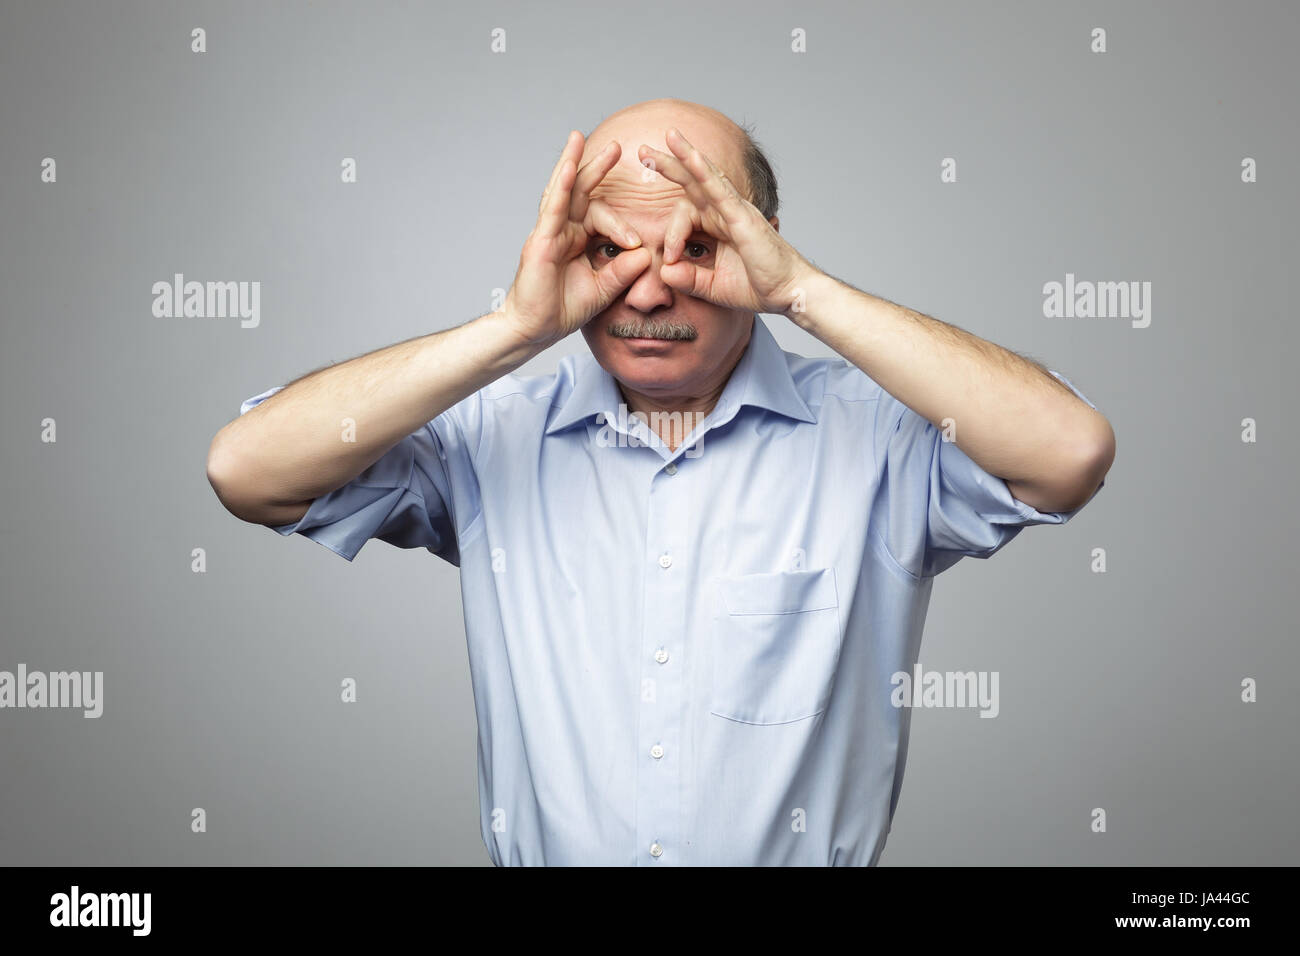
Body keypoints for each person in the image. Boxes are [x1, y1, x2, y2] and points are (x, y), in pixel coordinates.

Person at [206, 98, 1114, 866]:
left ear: (760, 246)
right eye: (610, 252)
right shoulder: (490, 437)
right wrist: (514, 332)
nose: (646, 293)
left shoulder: (878, 441)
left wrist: (801, 290)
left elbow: (1067, 453)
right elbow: (247, 470)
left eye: (698, 245)